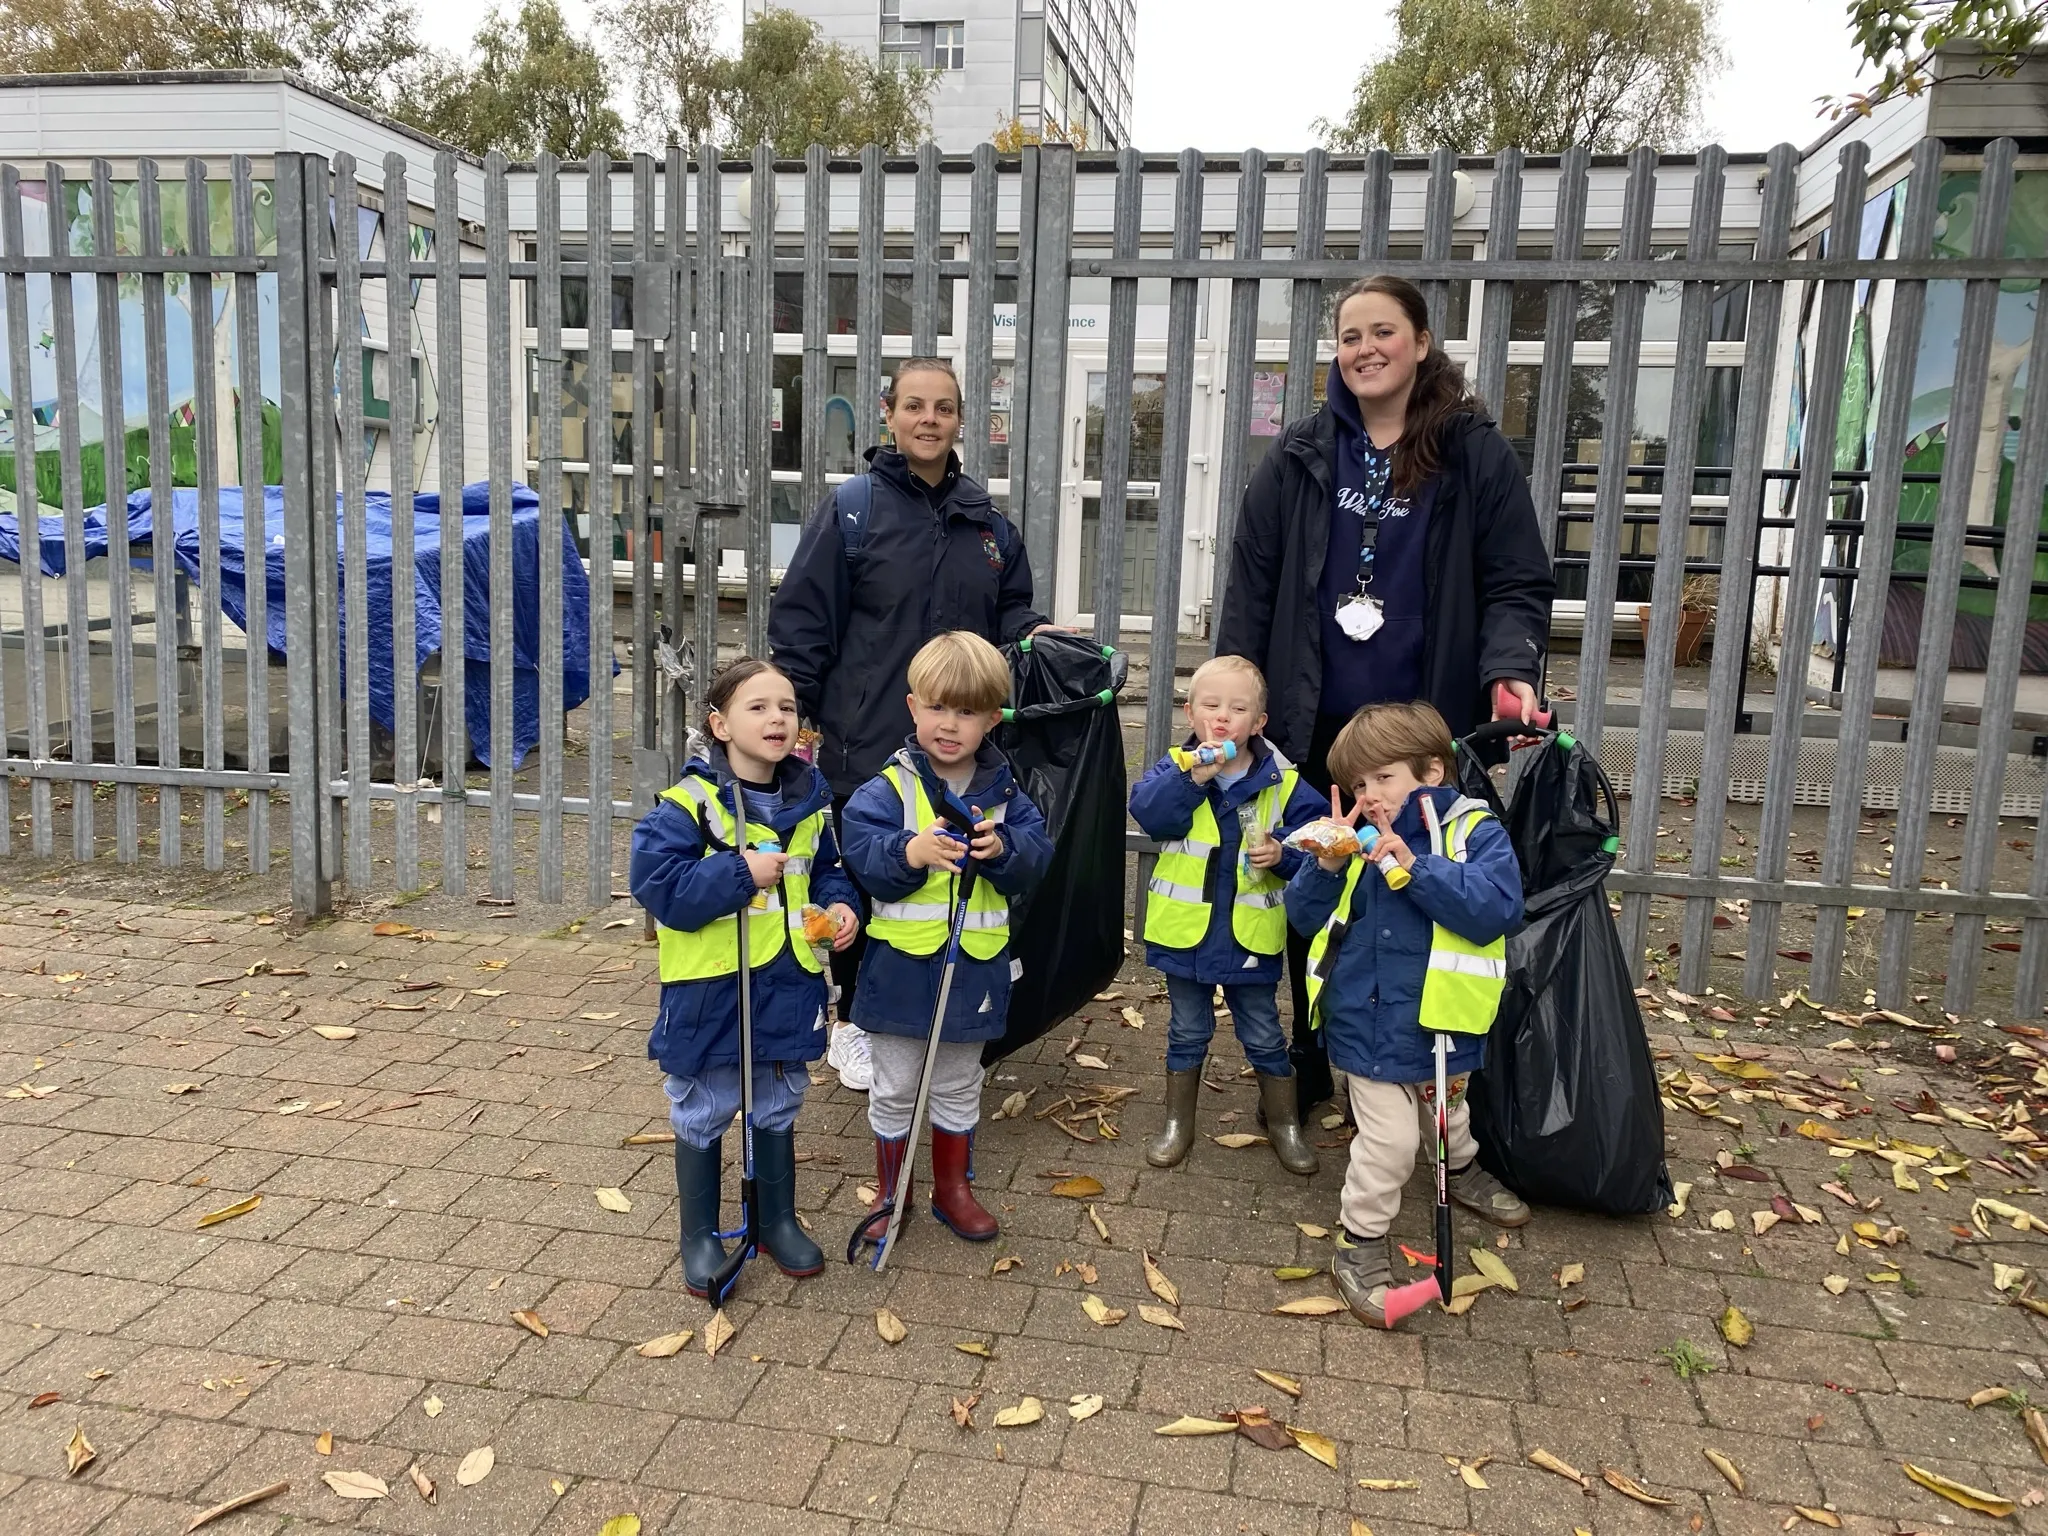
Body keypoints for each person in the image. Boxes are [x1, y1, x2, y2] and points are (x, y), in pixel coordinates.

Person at [1215, 274, 1555, 1121]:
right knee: (1322, 881)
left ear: (1422, 342)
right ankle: (1316, 1052)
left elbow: (1516, 578)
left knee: (1426, 886)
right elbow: (1253, 582)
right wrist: (1238, 691)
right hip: (1317, 723)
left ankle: (1433, 1078)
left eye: (1383, 332)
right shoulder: (1300, 453)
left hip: (1422, 732)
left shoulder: (1474, 451)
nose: (1365, 349)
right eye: (1351, 335)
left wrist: (1509, 671)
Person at [770, 358, 1056, 1095]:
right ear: (889, 413)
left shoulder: (987, 524)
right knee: (867, 876)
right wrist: (795, 713)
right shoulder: (855, 510)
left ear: (961, 421)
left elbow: (1011, 612)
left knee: (945, 873)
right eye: (916, 406)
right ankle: (855, 1024)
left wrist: (1040, 631)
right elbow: (806, 618)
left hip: (957, 741)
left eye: (945, 408)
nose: (930, 419)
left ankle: (943, 1012)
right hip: (866, 735)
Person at [1283, 702, 1530, 1327]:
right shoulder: (1350, 844)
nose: (1370, 797)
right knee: (1390, 1142)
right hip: (1365, 1023)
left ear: (1432, 771)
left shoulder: (1473, 832)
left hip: (1443, 1019)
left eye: (1384, 779)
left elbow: (1496, 910)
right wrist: (1326, 866)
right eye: (1359, 785)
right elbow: (1306, 919)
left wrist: (1416, 868)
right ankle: (1359, 1241)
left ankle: (1463, 1170)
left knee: (1444, 1109)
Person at [627, 658, 862, 1297]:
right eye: (757, 707)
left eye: (786, 707)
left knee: (779, 1097)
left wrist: (842, 907)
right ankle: (700, 1235)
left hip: (788, 985)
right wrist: (740, 874)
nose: (776, 718)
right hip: (710, 993)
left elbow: (830, 872)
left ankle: (776, 1218)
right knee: (705, 1105)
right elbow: (659, 887)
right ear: (719, 724)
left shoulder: (813, 803)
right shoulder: (687, 806)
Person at [838, 631, 1054, 1243]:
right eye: (937, 708)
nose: (950, 725)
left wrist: (1003, 849)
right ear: (913, 708)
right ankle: (891, 1191)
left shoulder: (1008, 794)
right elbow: (864, 858)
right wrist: (911, 850)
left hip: (974, 972)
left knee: (960, 1082)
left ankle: (953, 1190)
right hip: (900, 972)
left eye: (966, 712)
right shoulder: (887, 788)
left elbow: (1036, 860)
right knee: (897, 1084)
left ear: (991, 718)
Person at [1128, 654, 1327, 1175]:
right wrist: (1195, 778)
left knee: (1262, 1030)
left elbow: (1320, 841)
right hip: (1187, 937)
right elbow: (1149, 812)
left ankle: (1284, 1123)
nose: (1222, 717)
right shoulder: (1176, 767)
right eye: (1211, 705)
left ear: (1258, 723)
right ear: (1190, 712)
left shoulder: (1281, 781)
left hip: (1248, 937)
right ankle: (1178, 1123)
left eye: (1238, 709)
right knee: (1187, 1029)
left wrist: (1285, 855)